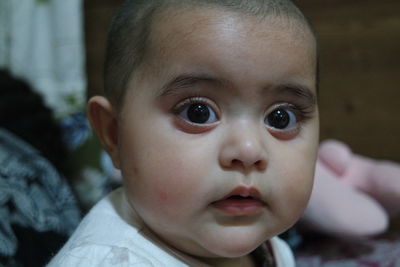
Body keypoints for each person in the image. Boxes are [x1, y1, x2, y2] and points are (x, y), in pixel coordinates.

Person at [48, 0, 319, 266]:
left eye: (281, 118)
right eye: (198, 113)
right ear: (114, 134)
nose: (249, 150)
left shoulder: (268, 247)